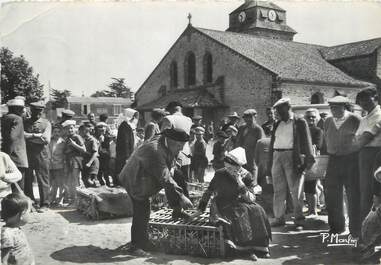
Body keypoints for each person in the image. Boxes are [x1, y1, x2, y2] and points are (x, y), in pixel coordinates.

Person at [118, 116, 194, 256]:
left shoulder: (166, 140)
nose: (179, 150)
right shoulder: (155, 150)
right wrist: (182, 196)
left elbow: (171, 159)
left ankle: (176, 210)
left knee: (178, 175)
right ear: (171, 141)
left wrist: (173, 166)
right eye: (178, 146)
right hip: (135, 178)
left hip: (146, 171)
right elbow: (164, 177)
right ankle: (136, 246)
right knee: (143, 209)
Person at [196, 147, 271, 261]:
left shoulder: (246, 176)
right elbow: (209, 191)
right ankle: (244, 249)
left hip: (241, 201)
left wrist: (240, 182)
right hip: (222, 203)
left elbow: (251, 199)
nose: (228, 170)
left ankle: (259, 247)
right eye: (227, 167)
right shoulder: (220, 173)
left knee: (258, 210)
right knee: (240, 213)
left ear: (239, 167)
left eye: (231, 168)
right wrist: (201, 208)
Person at [268, 98, 314, 230]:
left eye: (280, 110)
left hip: (293, 157)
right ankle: (279, 218)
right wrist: (270, 161)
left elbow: (307, 141)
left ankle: (299, 219)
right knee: (278, 190)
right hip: (277, 156)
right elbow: (272, 143)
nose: (278, 113)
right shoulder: (277, 124)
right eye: (277, 110)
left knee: (296, 190)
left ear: (288, 108)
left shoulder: (299, 122)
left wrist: (307, 160)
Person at [324, 96, 361, 236]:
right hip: (333, 160)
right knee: (332, 194)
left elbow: (361, 139)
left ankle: (355, 228)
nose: (333, 110)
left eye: (337, 107)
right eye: (332, 107)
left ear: (344, 107)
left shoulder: (355, 119)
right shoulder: (328, 121)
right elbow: (326, 138)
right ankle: (337, 226)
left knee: (353, 194)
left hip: (351, 160)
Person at [354, 88, 381, 225]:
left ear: (375, 98)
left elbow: (366, 137)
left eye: (367, 99)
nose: (363, 102)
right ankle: (366, 230)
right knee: (365, 193)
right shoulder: (365, 118)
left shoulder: (379, 114)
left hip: (376, 155)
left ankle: (372, 233)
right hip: (364, 155)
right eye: (361, 100)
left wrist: (349, 149)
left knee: (374, 193)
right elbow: (357, 138)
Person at [23, 101, 51, 211]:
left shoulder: (46, 123)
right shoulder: (25, 122)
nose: (37, 113)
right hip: (28, 155)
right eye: (35, 111)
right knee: (28, 179)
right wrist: (35, 136)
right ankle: (31, 202)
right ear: (31, 110)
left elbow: (46, 140)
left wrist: (29, 138)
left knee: (43, 179)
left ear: (42, 111)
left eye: (39, 111)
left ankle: (45, 204)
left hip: (42, 155)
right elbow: (21, 135)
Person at [1, 98, 28, 192]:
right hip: (17, 157)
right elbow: (13, 137)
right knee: (18, 188)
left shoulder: (4, 118)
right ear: (17, 109)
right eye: (21, 109)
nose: (23, 111)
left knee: (7, 187)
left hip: (5, 156)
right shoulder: (17, 118)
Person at [1, 193, 34, 265]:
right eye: (29, 212)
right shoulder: (7, 234)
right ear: (21, 215)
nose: (30, 215)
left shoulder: (16, 228)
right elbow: (4, 260)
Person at [304, 108, 324, 216]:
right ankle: (310, 209)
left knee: (312, 186)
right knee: (307, 187)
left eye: (313, 117)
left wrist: (308, 149)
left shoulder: (318, 131)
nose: (311, 118)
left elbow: (318, 145)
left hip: (313, 160)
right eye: (308, 117)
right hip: (303, 160)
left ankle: (313, 210)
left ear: (317, 118)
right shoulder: (302, 130)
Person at [236, 109, 264, 182]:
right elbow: (238, 140)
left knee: (253, 172)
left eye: (250, 118)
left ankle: (253, 187)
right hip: (242, 155)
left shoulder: (258, 129)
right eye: (245, 118)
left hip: (252, 156)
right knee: (242, 173)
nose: (247, 120)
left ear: (254, 118)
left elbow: (261, 144)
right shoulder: (242, 128)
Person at [62, 120, 85, 204]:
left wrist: (74, 145)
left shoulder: (77, 137)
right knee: (69, 181)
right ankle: (72, 199)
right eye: (67, 129)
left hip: (75, 161)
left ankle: (77, 200)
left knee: (75, 180)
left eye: (71, 128)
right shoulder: (67, 138)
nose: (70, 130)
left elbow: (83, 149)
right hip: (68, 161)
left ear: (74, 128)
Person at [115, 108, 139, 178]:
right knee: (123, 167)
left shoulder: (128, 125)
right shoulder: (125, 126)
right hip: (124, 152)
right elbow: (125, 141)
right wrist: (127, 155)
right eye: (134, 117)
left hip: (128, 152)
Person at [48, 125, 67, 206]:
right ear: (52, 133)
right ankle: (51, 200)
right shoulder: (49, 141)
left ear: (61, 133)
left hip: (60, 166)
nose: (57, 133)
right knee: (51, 184)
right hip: (50, 166)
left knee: (60, 184)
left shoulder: (63, 142)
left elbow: (65, 155)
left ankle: (60, 200)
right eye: (55, 132)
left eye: (58, 132)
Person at [96, 122, 111, 186]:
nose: (102, 129)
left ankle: (108, 183)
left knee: (106, 171)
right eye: (100, 128)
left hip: (106, 156)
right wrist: (99, 141)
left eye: (103, 128)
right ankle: (102, 183)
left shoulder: (108, 137)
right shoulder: (96, 137)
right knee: (99, 171)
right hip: (99, 156)